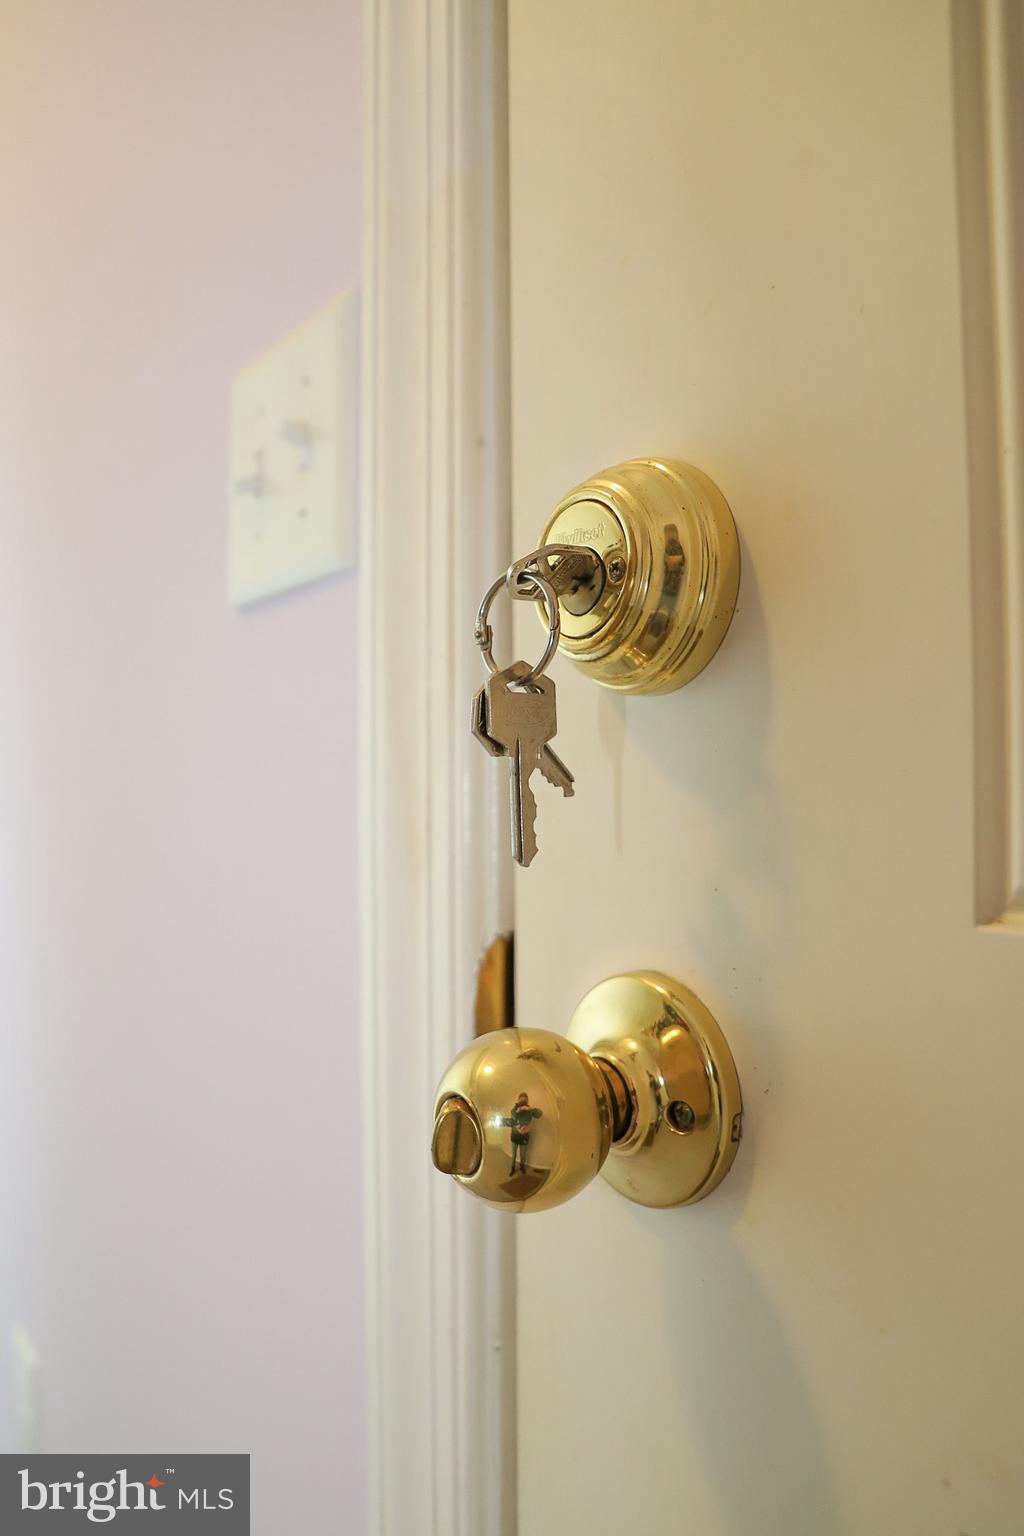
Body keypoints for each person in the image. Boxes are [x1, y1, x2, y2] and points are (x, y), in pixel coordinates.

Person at [504, 1092, 542, 1175]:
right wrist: (519, 1110)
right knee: (513, 1154)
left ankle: (522, 1167)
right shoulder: (514, 1110)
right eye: (521, 1100)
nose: (523, 1102)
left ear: (527, 1101)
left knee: (523, 1154)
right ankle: (513, 1168)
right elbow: (513, 1118)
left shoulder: (530, 1110)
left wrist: (530, 1109)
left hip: (524, 1137)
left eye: (525, 1100)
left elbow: (539, 1114)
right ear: (518, 1100)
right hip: (514, 1136)